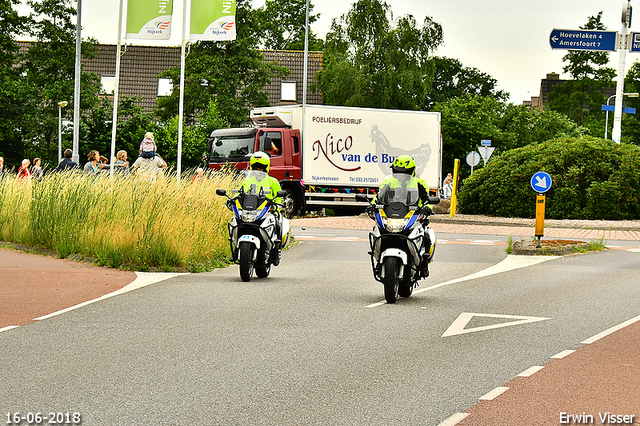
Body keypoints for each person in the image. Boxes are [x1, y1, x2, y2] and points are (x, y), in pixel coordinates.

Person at [374, 155, 432, 277]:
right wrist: (372, 205)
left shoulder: (419, 183)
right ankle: (378, 259)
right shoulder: (388, 182)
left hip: (414, 216)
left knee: (426, 236)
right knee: (377, 231)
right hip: (392, 214)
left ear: (412, 171)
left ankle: (424, 264)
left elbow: (427, 200)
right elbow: (378, 196)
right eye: (398, 172)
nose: (401, 175)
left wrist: (427, 209)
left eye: (404, 172)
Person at [240, 151, 284, 261]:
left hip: (267, 211)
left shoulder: (272, 182)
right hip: (252, 210)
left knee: (277, 221)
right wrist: (234, 200)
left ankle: (276, 247)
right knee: (236, 221)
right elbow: (241, 193)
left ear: (266, 168)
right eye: (256, 168)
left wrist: (276, 207)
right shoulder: (247, 181)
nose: (258, 171)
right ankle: (236, 245)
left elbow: (279, 197)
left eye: (261, 168)